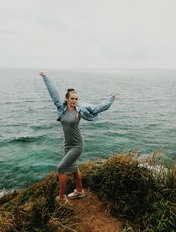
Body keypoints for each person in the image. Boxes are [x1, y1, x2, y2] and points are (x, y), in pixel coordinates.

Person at [39, 71, 117, 203]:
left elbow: (96, 109)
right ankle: (80, 191)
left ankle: (62, 197)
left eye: (76, 99)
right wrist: (45, 77)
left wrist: (110, 100)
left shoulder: (80, 110)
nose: (74, 101)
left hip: (77, 144)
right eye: (72, 98)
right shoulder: (61, 108)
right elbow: (53, 92)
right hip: (67, 144)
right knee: (74, 169)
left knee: (61, 168)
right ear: (67, 99)